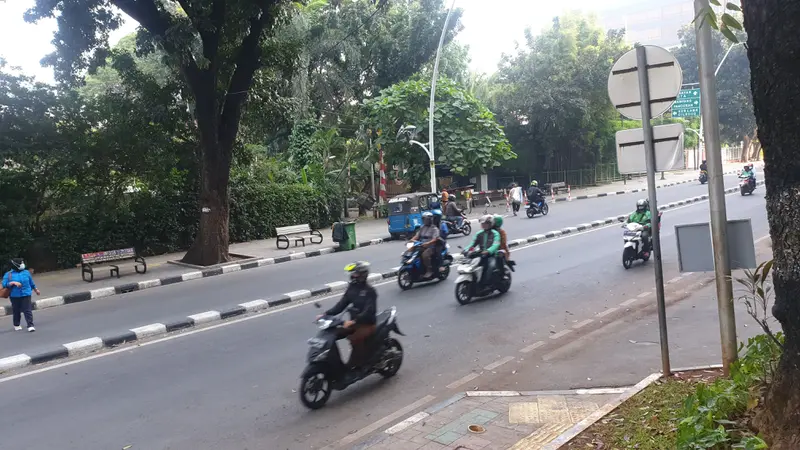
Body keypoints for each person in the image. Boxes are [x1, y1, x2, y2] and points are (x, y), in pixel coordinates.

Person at [319, 262, 377, 379]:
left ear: (362, 275)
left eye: (355, 273)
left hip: (367, 324)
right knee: (332, 333)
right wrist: (326, 314)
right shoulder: (352, 289)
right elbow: (341, 305)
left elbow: (369, 311)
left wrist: (355, 321)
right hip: (353, 323)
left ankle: (358, 365)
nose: (352, 276)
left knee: (354, 338)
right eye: (352, 273)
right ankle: (336, 365)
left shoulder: (370, 291)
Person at [2, 258, 40, 332]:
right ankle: (16, 324)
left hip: (26, 294)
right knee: (16, 310)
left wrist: (36, 289)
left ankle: (30, 325)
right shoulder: (8, 274)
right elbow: (4, 284)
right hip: (14, 295)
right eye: (21, 263)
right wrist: (12, 283)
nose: (23, 264)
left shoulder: (26, 272)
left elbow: (31, 282)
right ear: (16, 265)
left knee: (27, 310)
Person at [466, 215, 501, 286]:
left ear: (490, 224)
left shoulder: (495, 233)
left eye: (485, 224)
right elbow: (472, 244)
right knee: (471, 265)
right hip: (481, 254)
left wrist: (488, 251)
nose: (483, 225)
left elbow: (496, 244)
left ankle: (487, 283)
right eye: (482, 224)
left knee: (490, 266)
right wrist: (466, 250)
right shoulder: (479, 234)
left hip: (491, 255)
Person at [411, 212, 440, 278]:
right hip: (421, 245)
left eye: (425, 219)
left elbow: (435, 239)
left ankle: (429, 270)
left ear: (430, 219)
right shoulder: (422, 227)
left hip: (431, 247)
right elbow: (417, 236)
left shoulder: (434, 229)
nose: (424, 220)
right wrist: (410, 240)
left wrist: (428, 243)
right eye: (423, 219)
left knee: (425, 255)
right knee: (412, 252)